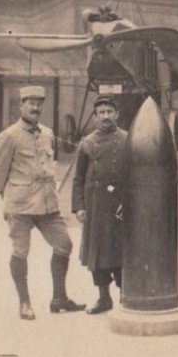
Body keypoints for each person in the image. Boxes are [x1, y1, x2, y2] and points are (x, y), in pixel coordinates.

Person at [0, 85, 85, 320]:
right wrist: (9, 195)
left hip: (47, 203)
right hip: (20, 205)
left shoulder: (48, 133)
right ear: (21, 106)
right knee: (21, 251)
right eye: (30, 102)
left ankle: (59, 298)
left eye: (39, 103)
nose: (35, 107)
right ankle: (24, 303)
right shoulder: (10, 135)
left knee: (64, 244)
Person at [71, 95, 127, 314]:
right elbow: (79, 178)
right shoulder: (86, 142)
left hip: (118, 206)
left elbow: (134, 176)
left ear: (117, 114)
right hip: (94, 205)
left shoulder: (127, 139)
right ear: (95, 116)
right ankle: (104, 298)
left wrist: (128, 203)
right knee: (96, 252)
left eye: (109, 112)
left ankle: (126, 296)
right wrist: (79, 206)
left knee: (119, 250)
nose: (105, 116)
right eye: (101, 112)